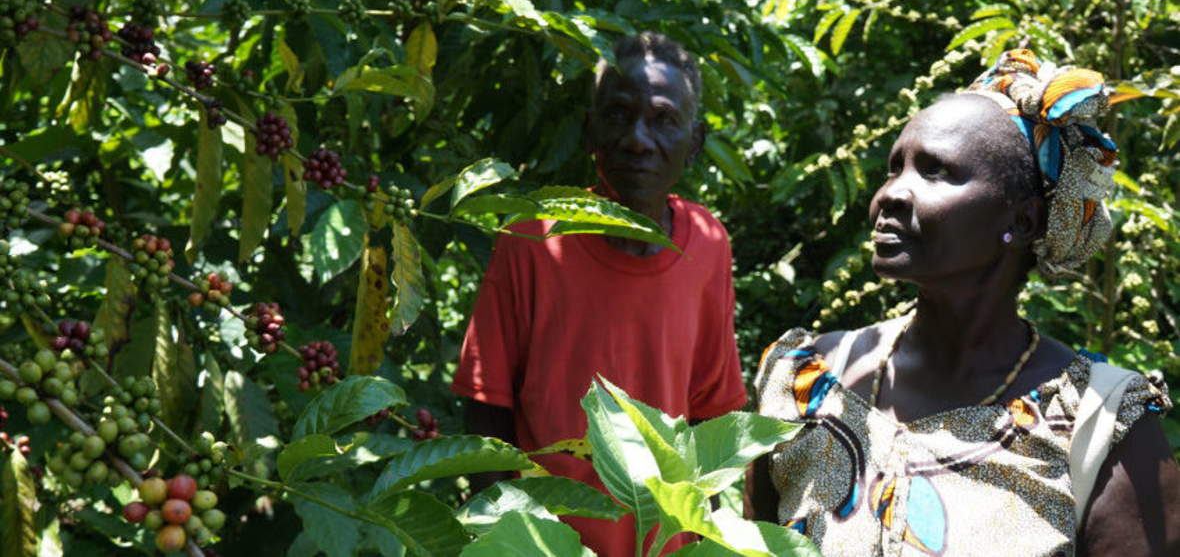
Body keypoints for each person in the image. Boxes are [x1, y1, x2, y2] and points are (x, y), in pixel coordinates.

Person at [747, 49, 1180, 556]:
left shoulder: (1102, 426)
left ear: (1022, 222)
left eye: (935, 172)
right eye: (894, 168)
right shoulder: (805, 383)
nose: (891, 195)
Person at [452, 32, 748, 556]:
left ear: (695, 141)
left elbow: (711, 414)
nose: (637, 139)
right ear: (591, 130)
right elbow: (486, 404)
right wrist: (513, 536)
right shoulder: (533, 237)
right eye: (618, 114)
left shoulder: (708, 245)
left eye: (663, 120)